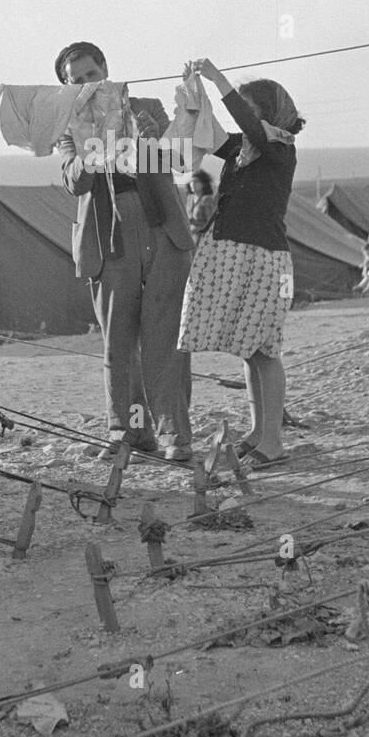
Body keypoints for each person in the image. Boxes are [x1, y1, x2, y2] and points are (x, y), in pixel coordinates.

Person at [54, 41, 195, 461]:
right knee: (119, 343)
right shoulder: (67, 125)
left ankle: (176, 437)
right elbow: (72, 181)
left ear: (106, 69)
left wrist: (150, 138)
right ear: (66, 87)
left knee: (166, 338)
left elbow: (178, 159)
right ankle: (130, 434)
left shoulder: (145, 103)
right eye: (75, 81)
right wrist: (91, 154)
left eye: (90, 75)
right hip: (106, 235)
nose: (85, 85)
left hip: (162, 229)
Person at [176, 57, 303, 466]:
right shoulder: (246, 149)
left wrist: (217, 80)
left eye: (252, 108)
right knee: (250, 351)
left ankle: (274, 442)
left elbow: (245, 125)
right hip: (239, 251)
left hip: (264, 257)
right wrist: (194, 94)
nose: (247, 115)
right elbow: (211, 136)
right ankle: (259, 432)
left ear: (267, 112)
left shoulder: (280, 147)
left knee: (264, 351)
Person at [185, 169, 216, 237]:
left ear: (204, 184)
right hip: (187, 234)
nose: (193, 184)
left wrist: (193, 222)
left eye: (196, 181)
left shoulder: (207, 200)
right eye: (191, 181)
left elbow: (210, 223)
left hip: (200, 236)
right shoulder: (190, 198)